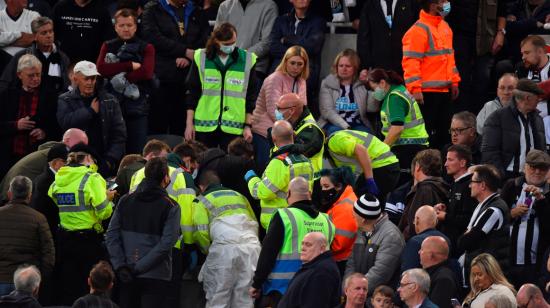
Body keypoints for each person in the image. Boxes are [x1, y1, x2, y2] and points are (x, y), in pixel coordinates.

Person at [106, 157, 181, 308]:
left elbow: (112, 235)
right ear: (165, 177)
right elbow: (167, 243)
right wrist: (138, 267)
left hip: (126, 273)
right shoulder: (171, 206)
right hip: (156, 275)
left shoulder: (125, 200)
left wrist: (120, 265)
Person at [249, 177, 334, 307]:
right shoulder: (327, 220)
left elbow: (268, 253)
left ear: (288, 194)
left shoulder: (284, 217)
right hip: (314, 290)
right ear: (309, 194)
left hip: (280, 291)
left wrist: (257, 283)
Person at [128, 143, 195, 307]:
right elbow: (185, 216)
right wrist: (190, 244)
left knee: (144, 296)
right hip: (171, 247)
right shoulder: (183, 175)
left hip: (140, 244)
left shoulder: (137, 174)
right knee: (169, 297)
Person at [48, 144, 114, 305]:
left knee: (70, 287)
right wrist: (109, 199)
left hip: (65, 240)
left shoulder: (60, 176)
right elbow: (103, 212)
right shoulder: (92, 177)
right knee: (89, 289)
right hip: (88, 242)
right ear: (88, 159)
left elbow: (52, 194)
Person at [192, 170, 260, 308]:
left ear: (201, 187)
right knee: (245, 299)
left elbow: (201, 232)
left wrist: (207, 251)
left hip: (224, 250)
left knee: (218, 296)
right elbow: (253, 221)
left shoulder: (201, 200)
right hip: (251, 248)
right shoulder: (239, 196)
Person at [185, 22, 258, 149]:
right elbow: (192, 93)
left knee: (230, 167)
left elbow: (251, 97)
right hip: (204, 126)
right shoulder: (201, 57)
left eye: (233, 42)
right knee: (204, 165)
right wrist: (189, 124)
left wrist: (248, 126)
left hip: (234, 128)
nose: (231, 47)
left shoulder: (247, 60)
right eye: (226, 44)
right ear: (216, 41)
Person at [142, 0, 209, 135]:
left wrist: (189, 57)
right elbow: (152, 37)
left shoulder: (196, 10)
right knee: (158, 128)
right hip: (162, 79)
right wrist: (183, 51)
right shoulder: (153, 9)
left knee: (182, 129)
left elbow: (205, 38)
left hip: (189, 78)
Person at [402, 0, 461, 150]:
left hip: (444, 92)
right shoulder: (417, 30)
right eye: (442, 1)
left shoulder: (444, 27)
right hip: (426, 94)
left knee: (444, 137)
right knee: (426, 137)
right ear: (433, 4)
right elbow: (411, 62)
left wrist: (454, 82)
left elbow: (449, 58)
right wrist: (415, 89)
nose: (447, 3)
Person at [96, 8, 155, 155]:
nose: (125, 29)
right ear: (115, 27)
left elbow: (146, 72)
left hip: (138, 106)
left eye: (129, 25)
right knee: (112, 149)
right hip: (112, 105)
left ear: (135, 26)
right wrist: (129, 66)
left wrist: (120, 76)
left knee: (137, 150)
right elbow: (101, 69)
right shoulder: (108, 45)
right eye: (121, 25)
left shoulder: (147, 47)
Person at [57, 60, 127, 176]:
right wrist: (89, 111)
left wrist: (110, 160)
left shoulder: (110, 100)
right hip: (76, 162)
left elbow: (119, 134)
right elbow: (66, 123)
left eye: (93, 78)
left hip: (106, 160)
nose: (90, 82)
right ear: (75, 79)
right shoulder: (65, 100)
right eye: (86, 79)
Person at [245, 120, 314, 229]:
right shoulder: (305, 160)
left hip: (279, 222)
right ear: (292, 135)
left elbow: (263, 193)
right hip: (299, 219)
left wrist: (251, 178)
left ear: (273, 139)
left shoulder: (280, 162)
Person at [445, 0, 508, 114]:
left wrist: (501, 33)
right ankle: (461, 124)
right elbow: (443, 8)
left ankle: (479, 122)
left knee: (482, 82)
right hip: (458, 36)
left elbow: (502, 10)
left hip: (486, 38)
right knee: (460, 82)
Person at [0, 54, 58, 176]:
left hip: (38, 156)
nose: (36, 79)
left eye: (38, 74)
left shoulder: (50, 96)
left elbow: (57, 126)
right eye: (31, 76)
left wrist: (44, 132)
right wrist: (16, 125)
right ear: (19, 75)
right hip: (8, 155)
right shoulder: (6, 95)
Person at [252, 46, 308, 169]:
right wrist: (289, 130)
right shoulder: (274, 78)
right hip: (264, 130)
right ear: (285, 61)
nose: (296, 67)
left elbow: (302, 108)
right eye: (292, 63)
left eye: (300, 64)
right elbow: (274, 110)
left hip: (285, 131)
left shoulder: (302, 81)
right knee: (265, 166)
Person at [500, 150, 550, 289]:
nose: (537, 171)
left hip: (535, 263)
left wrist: (541, 201)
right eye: (533, 167)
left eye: (542, 168)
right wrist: (511, 213)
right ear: (525, 167)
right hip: (508, 259)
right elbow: (496, 216)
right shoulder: (511, 186)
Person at [268, 0, 325, 117]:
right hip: (280, 70)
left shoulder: (318, 22)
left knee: (299, 108)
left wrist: (287, 40)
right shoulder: (281, 21)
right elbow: (273, 47)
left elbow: (313, 47)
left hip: (306, 72)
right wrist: (297, 52)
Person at [0, 128, 87, 203]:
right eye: (81, 144)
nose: (83, 149)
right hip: (14, 192)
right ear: (67, 140)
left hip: (11, 187)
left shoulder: (50, 150)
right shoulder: (57, 155)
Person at [482, 79, 546, 180]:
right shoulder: (497, 118)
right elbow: (490, 152)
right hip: (508, 178)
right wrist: (500, 178)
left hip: (533, 178)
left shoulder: (538, 119)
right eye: (537, 97)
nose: (539, 100)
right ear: (527, 98)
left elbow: (542, 151)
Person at [366, 68, 429, 172]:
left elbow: (397, 128)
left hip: (407, 148)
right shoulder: (399, 90)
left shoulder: (395, 98)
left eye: (374, 89)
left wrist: (381, 150)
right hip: (414, 146)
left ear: (382, 83)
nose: (374, 93)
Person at [0, 176, 54, 297]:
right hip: (27, 282)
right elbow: (48, 253)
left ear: (10, 194)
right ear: (29, 195)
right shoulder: (39, 218)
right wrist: (39, 277)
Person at [458, 165, 511, 286]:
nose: (470, 185)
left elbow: (467, 241)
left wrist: (466, 236)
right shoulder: (483, 204)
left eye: (472, 181)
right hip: (481, 272)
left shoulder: (493, 209)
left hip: (488, 276)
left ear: (482, 185)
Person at [0, 16, 71, 103]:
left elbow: (67, 86)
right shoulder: (21, 56)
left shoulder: (63, 58)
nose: (49, 35)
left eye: (50, 31)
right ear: (35, 36)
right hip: (27, 103)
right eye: (44, 33)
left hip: (54, 105)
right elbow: (5, 82)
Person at [345, 193, 405, 294]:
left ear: (363, 220)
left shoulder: (391, 236)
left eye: (354, 216)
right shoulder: (361, 231)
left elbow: (380, 273)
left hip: (378, 299)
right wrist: (347, 287)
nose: (352, 218)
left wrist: (355, 291)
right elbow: (351, 264)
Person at [325, 129, 400, 203]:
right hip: (388, 166)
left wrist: (369, 179)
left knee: (358, 203)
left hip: (381, 167)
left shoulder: (334, 142)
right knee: (374, 205)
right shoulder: (332, 147)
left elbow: (361, 150)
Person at [214, 0, 278, 80]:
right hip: (225, 65)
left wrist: (239, 57)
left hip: (254, 68)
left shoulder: (269, 5)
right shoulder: (225, 6)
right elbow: (217, 39)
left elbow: (268, 42)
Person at [319, 49, 375, 135]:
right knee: (338, 135)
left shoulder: (361, 85)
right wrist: (346, 127)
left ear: (355, 68)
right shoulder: (327, 83)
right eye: (341, 66)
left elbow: (372, 108)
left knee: (367, 136)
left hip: (357, 124)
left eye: (348, 66)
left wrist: (369, 85)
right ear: (336, 67)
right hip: (333, 124)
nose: (344, 69)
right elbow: (327, 111)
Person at [277, 232, 341, 308]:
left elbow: (315, 304)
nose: (303, 248)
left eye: (308, 245)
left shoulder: (322, 272)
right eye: (302, 244)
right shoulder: (314, 267)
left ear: (322, 248)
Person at [356, 0, 418, 75]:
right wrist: (364, 67)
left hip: (406, 67)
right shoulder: (369, 6)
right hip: (379, 68)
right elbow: (363, 39)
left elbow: (418, 35)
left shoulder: (411, 4)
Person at [399, 149, 449, 240]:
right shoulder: (442, 187)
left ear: (417, 166)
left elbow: (414, 224)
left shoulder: (424, 190)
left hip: (419, 246)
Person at [437, 144, 478, 257]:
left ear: (462, 163)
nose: (445, 164)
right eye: (446, 160)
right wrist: (445, 208)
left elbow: (468, 219)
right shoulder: (455, 183)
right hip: (452, 243)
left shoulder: (470, 186)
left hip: (462, 249)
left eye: (450, 160)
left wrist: (445, 216)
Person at [274, 93, 325, 177]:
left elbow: (297, 154)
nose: (276, 112)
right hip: (292, 180)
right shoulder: (291, 123)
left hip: (308, 184)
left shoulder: (311, 130)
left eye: (279, 108)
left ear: (291, 110)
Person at [318, 167, 358, 274]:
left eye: (326, 186)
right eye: (321, 186)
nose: (323, 190)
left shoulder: (344, 208)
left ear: (339, 186)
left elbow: (338, 245)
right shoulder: (342, 201)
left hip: (340, 262)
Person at [29, 144, 68, 241]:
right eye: (67, 163)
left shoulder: (42, 178)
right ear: (56, 163)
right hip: (48, 234)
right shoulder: (47, 182)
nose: (70, 167)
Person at [401, 206, 449, 273]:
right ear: (436, 221)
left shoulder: (415, 242)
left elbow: (407, 273)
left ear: (417, 220)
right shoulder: (446, 240)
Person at [419, 236, 461, 308]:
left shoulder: (444, 279)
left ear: (430, 255)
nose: (419, 252)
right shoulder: (435, 274)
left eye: (422, 249)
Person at [0, 0, 40, 69]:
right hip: (3, 64)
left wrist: (5, 41)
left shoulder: (34, 16)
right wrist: (20, 34)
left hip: (28, 63)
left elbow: (38, 38)